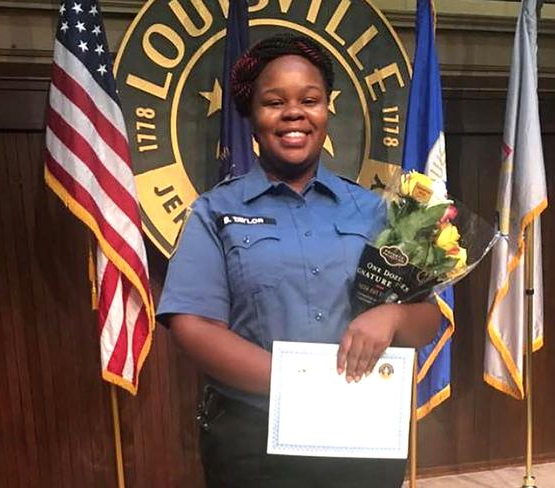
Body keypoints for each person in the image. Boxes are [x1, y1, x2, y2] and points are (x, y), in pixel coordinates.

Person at [157, 34, 441, 488]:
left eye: (310, 100)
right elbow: (194, 325)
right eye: (274, 102)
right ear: (252, 116)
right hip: (254, 440)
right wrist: (300, 386)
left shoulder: (375, 212)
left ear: (326, 111)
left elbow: (429, 320)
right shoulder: (214, 212)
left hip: (361, 432)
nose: (294, 113)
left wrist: (392, 315)